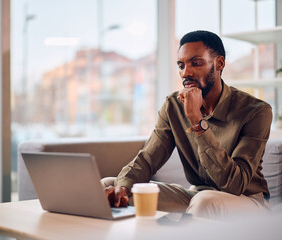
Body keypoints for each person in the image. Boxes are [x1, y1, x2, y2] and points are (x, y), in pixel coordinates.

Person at [103, 30, 272, 219]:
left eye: (196, 63)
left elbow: (234, 184)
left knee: (205, 201)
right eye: (181, 65)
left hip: (245, 200)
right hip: (197, 195)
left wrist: (197, 121)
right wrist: (123, 187)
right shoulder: (173, 106)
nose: (186, 72)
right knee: (111, 186)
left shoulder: (256, 111)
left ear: (219, 63)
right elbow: (147, 159)